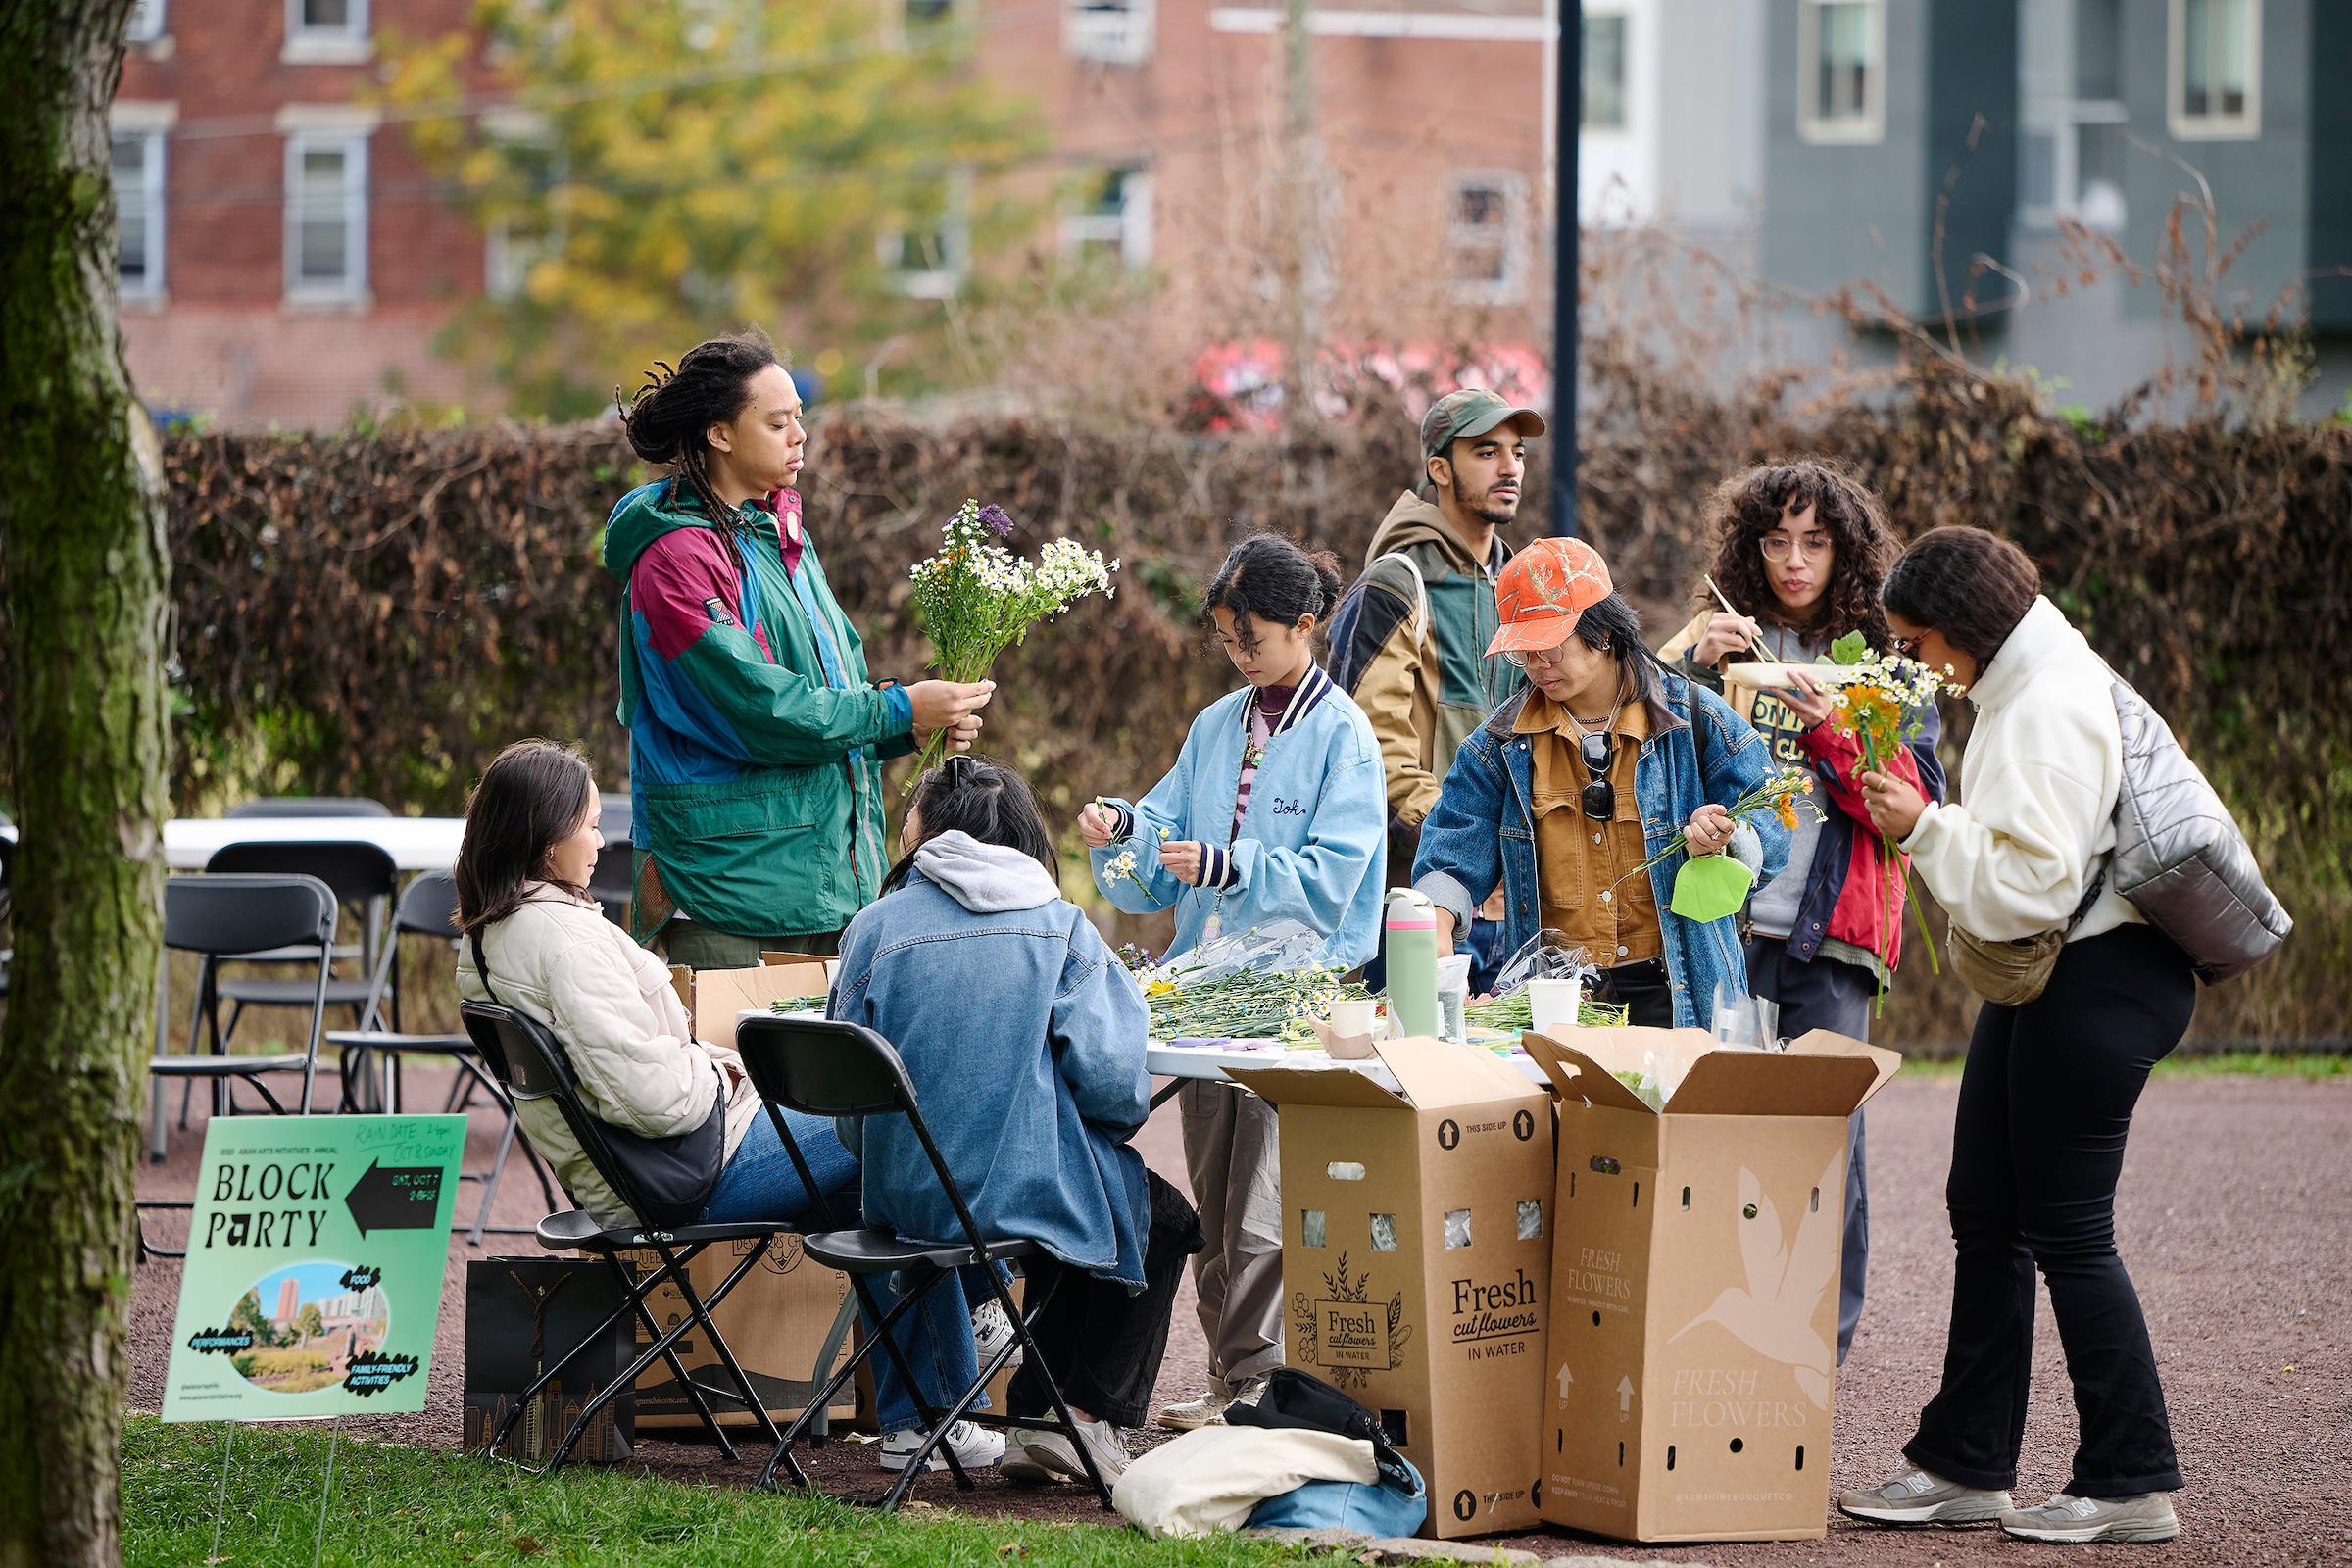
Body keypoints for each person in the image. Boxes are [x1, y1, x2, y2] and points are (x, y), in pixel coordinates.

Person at [451, 739, 990, 1473]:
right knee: (892, 1136)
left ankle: (921, 1420)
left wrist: (706, 1064)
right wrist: (721, 1078)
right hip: (680, 1173)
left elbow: (617, 1069)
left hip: (625, 1174)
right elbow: (652, 1097)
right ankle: (959, 1362)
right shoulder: (558, 940)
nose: (601, 836)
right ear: (546, 843)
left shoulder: (491, 938)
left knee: (876, 1192)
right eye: (587, 821)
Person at [1838, 528, 2189, 1546]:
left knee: (2068, 1229)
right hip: (2062, 972)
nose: (1917, 661)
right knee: (1986, 1208)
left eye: (1918, 640)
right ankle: (1965, 1463)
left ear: (1965, 628)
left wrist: (1921, 827)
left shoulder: (2042, 707)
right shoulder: (2023, 675)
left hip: (2098, 974)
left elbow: (2031, 885)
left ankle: (2129, 1479)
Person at [1079, 533, 1387, 1433]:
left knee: (1264, 1202)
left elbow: (1338, 881)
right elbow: (1163, 835)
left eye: (1248, 636)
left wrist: (1230, 862)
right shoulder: (1218, 725)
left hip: (1296, 1005)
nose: (1237, 653)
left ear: (1306, 625)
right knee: (1214, 1196)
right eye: (1225, 638)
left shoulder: (1345, 737)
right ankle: (1229, 1382)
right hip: (1208, 997)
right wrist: (1124, 827)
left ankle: (1257, 1386)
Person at [833, 757, 1203, 1488]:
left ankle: (1043, 1416)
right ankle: (1079, 1419)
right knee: (1156, 1218)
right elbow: (1116, 1094)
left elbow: (847, 1107)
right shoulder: (1059, 926)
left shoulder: (873, 927)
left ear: (936, 833)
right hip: (1013, 1200)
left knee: (1089, 1195)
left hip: (895, 1200)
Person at [1658, 459, 1946, 1366]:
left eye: (1814, 543)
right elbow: (1638, 753)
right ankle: (1717, 1343)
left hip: (1833, 940)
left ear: (1846, 552)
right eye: (1775, 541)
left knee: (1829, 1150)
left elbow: (1907, 803)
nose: (1792, 561)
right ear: (1747, 550)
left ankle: (1818, 1358)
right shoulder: (1711, 646)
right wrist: (1686, 667)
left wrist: (1830, 724)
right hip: (1725, 932)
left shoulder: (1887, 662)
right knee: (1716, 1137)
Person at [604, 328, 993, 969]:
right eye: (778, 422)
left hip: (823, 889)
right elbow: (757, 710)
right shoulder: (674, 558)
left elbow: (822, 707)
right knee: (733, 1075)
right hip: (727, 899)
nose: (799, 436)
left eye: (799, 420)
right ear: (720, 434)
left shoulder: (783, 537)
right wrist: (898, 711)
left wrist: (910, 728)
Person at [1411, 537, 1791, 1027]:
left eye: (1549, 647)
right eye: (1522, 652)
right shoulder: (1497, 748)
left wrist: (1728, 838)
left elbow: (1772, 820)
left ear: (1604, 631)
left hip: (1681, 993)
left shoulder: (1696, 719)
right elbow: (1452, 852)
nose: (1535, 666)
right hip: (1553, 1000)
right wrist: (1436, 921)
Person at [1330, 388, 1544, 991]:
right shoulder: (1396, 584)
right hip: (1415, 906)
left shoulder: (1524, 590)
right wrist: (1471, 851)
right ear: (1440, 469)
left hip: (1517, 914)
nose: (1509, 468)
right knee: (1411, 1081)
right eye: (1486, 452)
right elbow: (1372, 754)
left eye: (1518, 453)